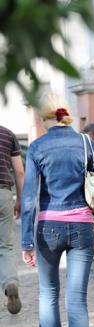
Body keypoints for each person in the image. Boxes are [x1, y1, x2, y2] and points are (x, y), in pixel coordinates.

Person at [21, 93, 94, 327]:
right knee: (77, 302)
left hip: (49, 226)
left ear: (43, 118)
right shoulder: (86, 142)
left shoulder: (36, 147)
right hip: (82, 228)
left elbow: (28, 201)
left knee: (48, 295)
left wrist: (26, 241)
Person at [0, 125, 24, 314]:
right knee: (5, 246)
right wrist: (21, 199)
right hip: (3, 193)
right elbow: (19, 171)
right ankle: (10, 282)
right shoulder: (8, 134)